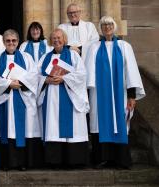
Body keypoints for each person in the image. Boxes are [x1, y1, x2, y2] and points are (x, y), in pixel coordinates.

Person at [85, 16, 145, 169]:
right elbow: (88, 74)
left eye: (109, 24)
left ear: (114, 26)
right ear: (100, 28)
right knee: (99, 123)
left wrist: (132, 96)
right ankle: (101, 159)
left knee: (120, 122)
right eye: (104, 25)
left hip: (121, 94)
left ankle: (121, 159)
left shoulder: (125, 46)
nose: (107, 27)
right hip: (99, 95)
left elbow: (131, 72)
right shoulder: (94, 47)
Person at [0, 29, 43, 171]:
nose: (11, 43)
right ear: (3, 42)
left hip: (21, 97)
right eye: (8, 41)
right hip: (4, 99)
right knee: (5, 130)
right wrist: (8, 84)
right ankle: (5, 163)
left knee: (21, 130)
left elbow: (34, 76)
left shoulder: (26, 57)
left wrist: (19, 82)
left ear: (18, 42)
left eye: (13, 40)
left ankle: (21, 162)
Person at [37, 28, 90, 168]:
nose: (56, 40)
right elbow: (35, 77)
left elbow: (82, 75)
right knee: (53, 128)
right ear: (50, 41)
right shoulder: (45, 58)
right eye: (53, 38)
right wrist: (45, 80)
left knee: (72, 129)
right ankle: (54, 161)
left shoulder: (73, 56)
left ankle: (74, 161)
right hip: (51, 99)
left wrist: (64, 78)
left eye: (59, 38)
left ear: (64, 39)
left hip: (69, 97)